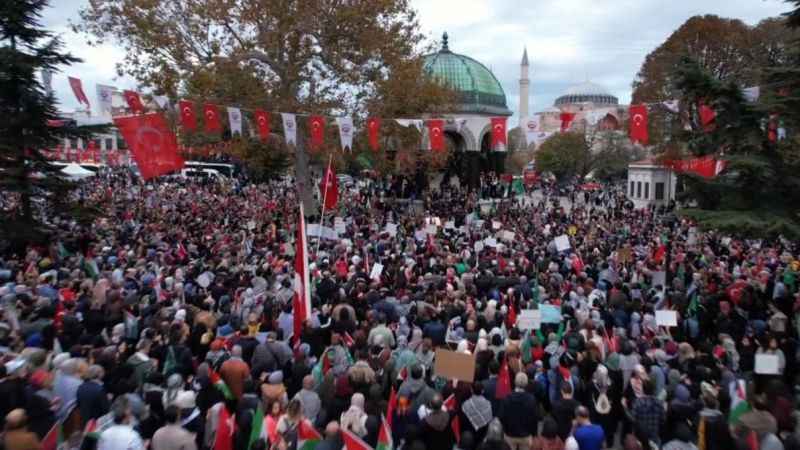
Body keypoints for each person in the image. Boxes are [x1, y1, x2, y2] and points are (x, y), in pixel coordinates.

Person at [499, 372, 537, 450]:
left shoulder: (507, 398)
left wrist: (506, 429)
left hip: (510, 434)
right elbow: (534, 418)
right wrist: (534, 434)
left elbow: (501, 416)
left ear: (515, 382)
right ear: (526, 383)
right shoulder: (531, 399)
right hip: (525, 435)